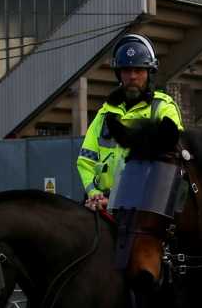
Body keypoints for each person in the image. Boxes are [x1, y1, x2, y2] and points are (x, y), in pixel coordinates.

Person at [76, 34, 183, 211]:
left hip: (146, 208)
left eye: (139, 70)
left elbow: (167, 169)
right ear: (119, 74)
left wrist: (114, 199)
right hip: (102, 205)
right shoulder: (105, 113)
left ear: (149, 73)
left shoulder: (164, 108)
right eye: (126, 70)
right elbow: (85, 161)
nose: (132, 76)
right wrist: (93, 193)